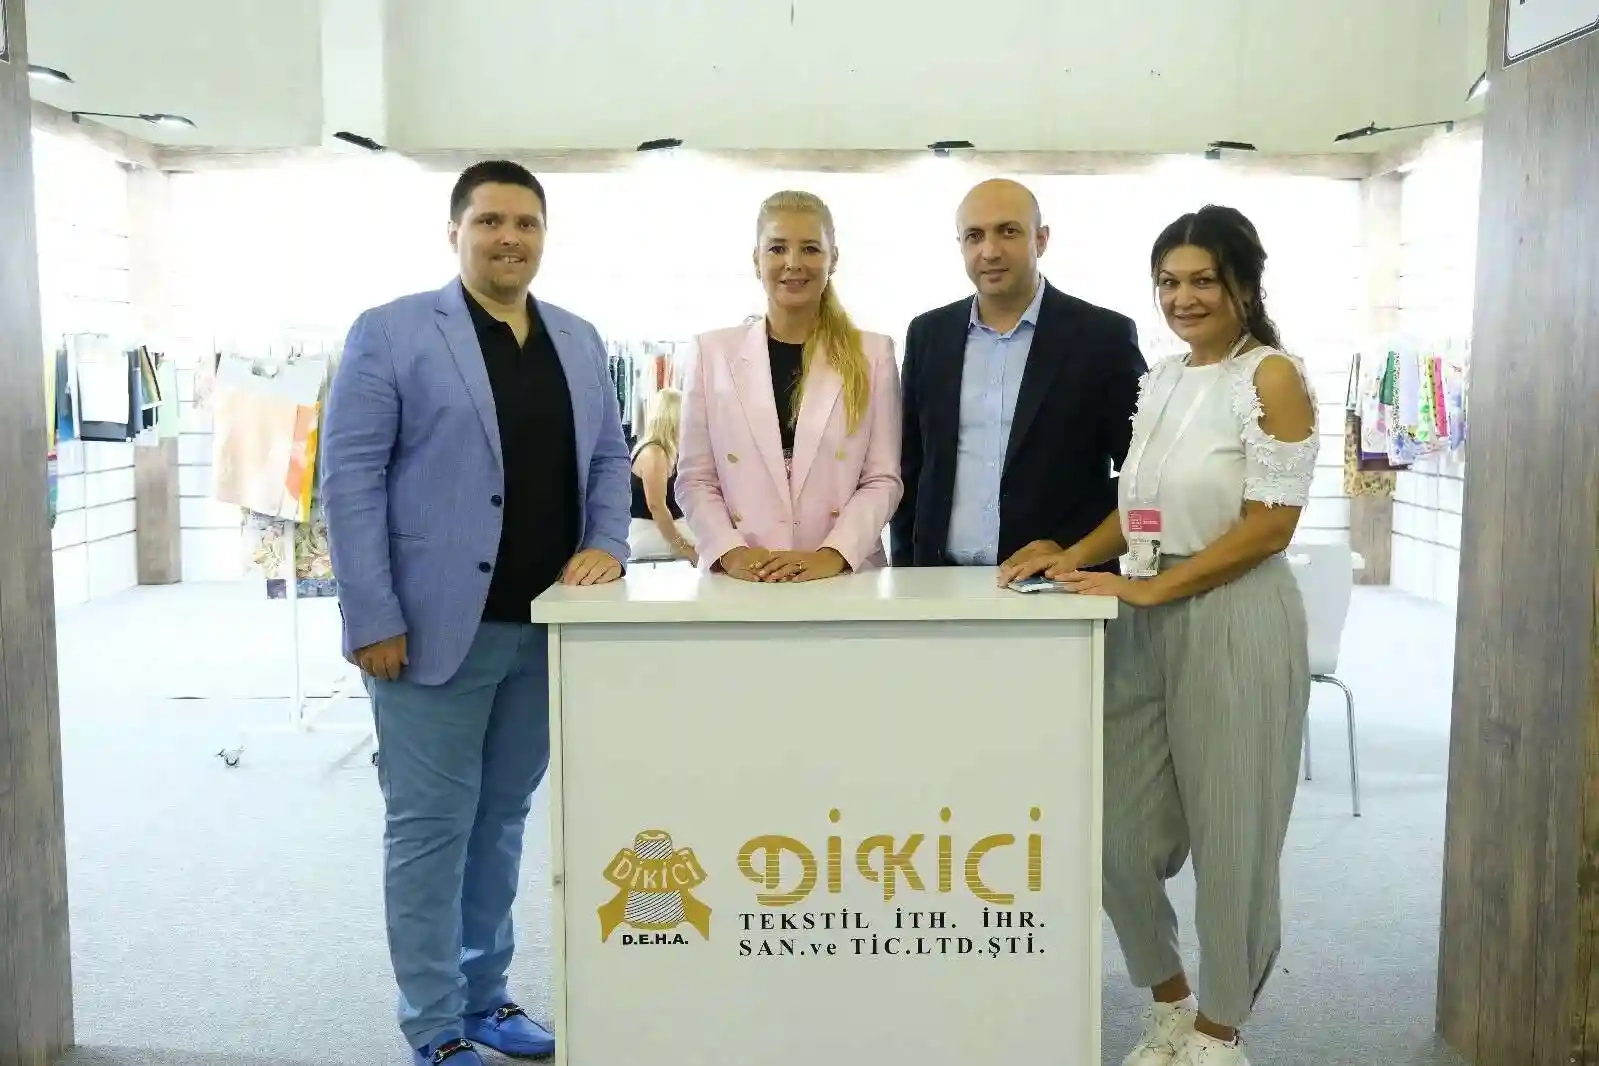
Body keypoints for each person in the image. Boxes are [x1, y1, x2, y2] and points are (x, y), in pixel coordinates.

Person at [320, 160, 630, 1066]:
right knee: (429, 831)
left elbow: (608, 458)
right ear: (454, 231)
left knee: (500, 821)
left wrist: (607, 544)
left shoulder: (577, 337)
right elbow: (348, 480)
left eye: (525, 223)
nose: (509, 238)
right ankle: (433, 1025)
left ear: (543, 236)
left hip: (543, 629)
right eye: (490, 221)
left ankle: (487, 996)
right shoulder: (391, 331)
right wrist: (371, 614)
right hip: (425, 632)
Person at [1011, 205, 1318, 1066]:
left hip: (1236, 614)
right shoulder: (1165, 377)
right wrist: (1070, 556)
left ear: (1243, 284)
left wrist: (1149, 589)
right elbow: (1139, 508)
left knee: (1232, 835)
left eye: (1202, 281)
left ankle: (1220, 1033)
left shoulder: (1270, 377)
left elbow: (1270, 526)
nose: (1183, 298)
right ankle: (1171, 1002)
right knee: (1110, 829)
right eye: (1168, 282)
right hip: (1146, 611)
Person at [890, 178, 1147, 577]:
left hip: (1058, 580)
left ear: (1041, 240)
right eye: (974, 236)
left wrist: (1073, 545)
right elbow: (910, 465)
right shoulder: (928, 335)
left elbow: (1145, 469)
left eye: (1008, 231)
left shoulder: (1102, 337)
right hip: (939, 581)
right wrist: (906, 576)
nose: (990, 251)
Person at [676, 189, 902, 582]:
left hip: (843, 578)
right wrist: (732, 552)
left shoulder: (873, 354)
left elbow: (882, 479)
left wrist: (832, 555)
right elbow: (695, 477)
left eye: (810, 249)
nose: (793, 263)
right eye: (777, 248)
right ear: (756, 259)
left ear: (833, 258)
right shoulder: (712, 352)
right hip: (742, 579)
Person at [627, 387, 697, 564]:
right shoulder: (655, 453)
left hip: (659, 531)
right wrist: (686, 549)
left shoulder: (663, 451)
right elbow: (656, 506)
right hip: (650, 534)